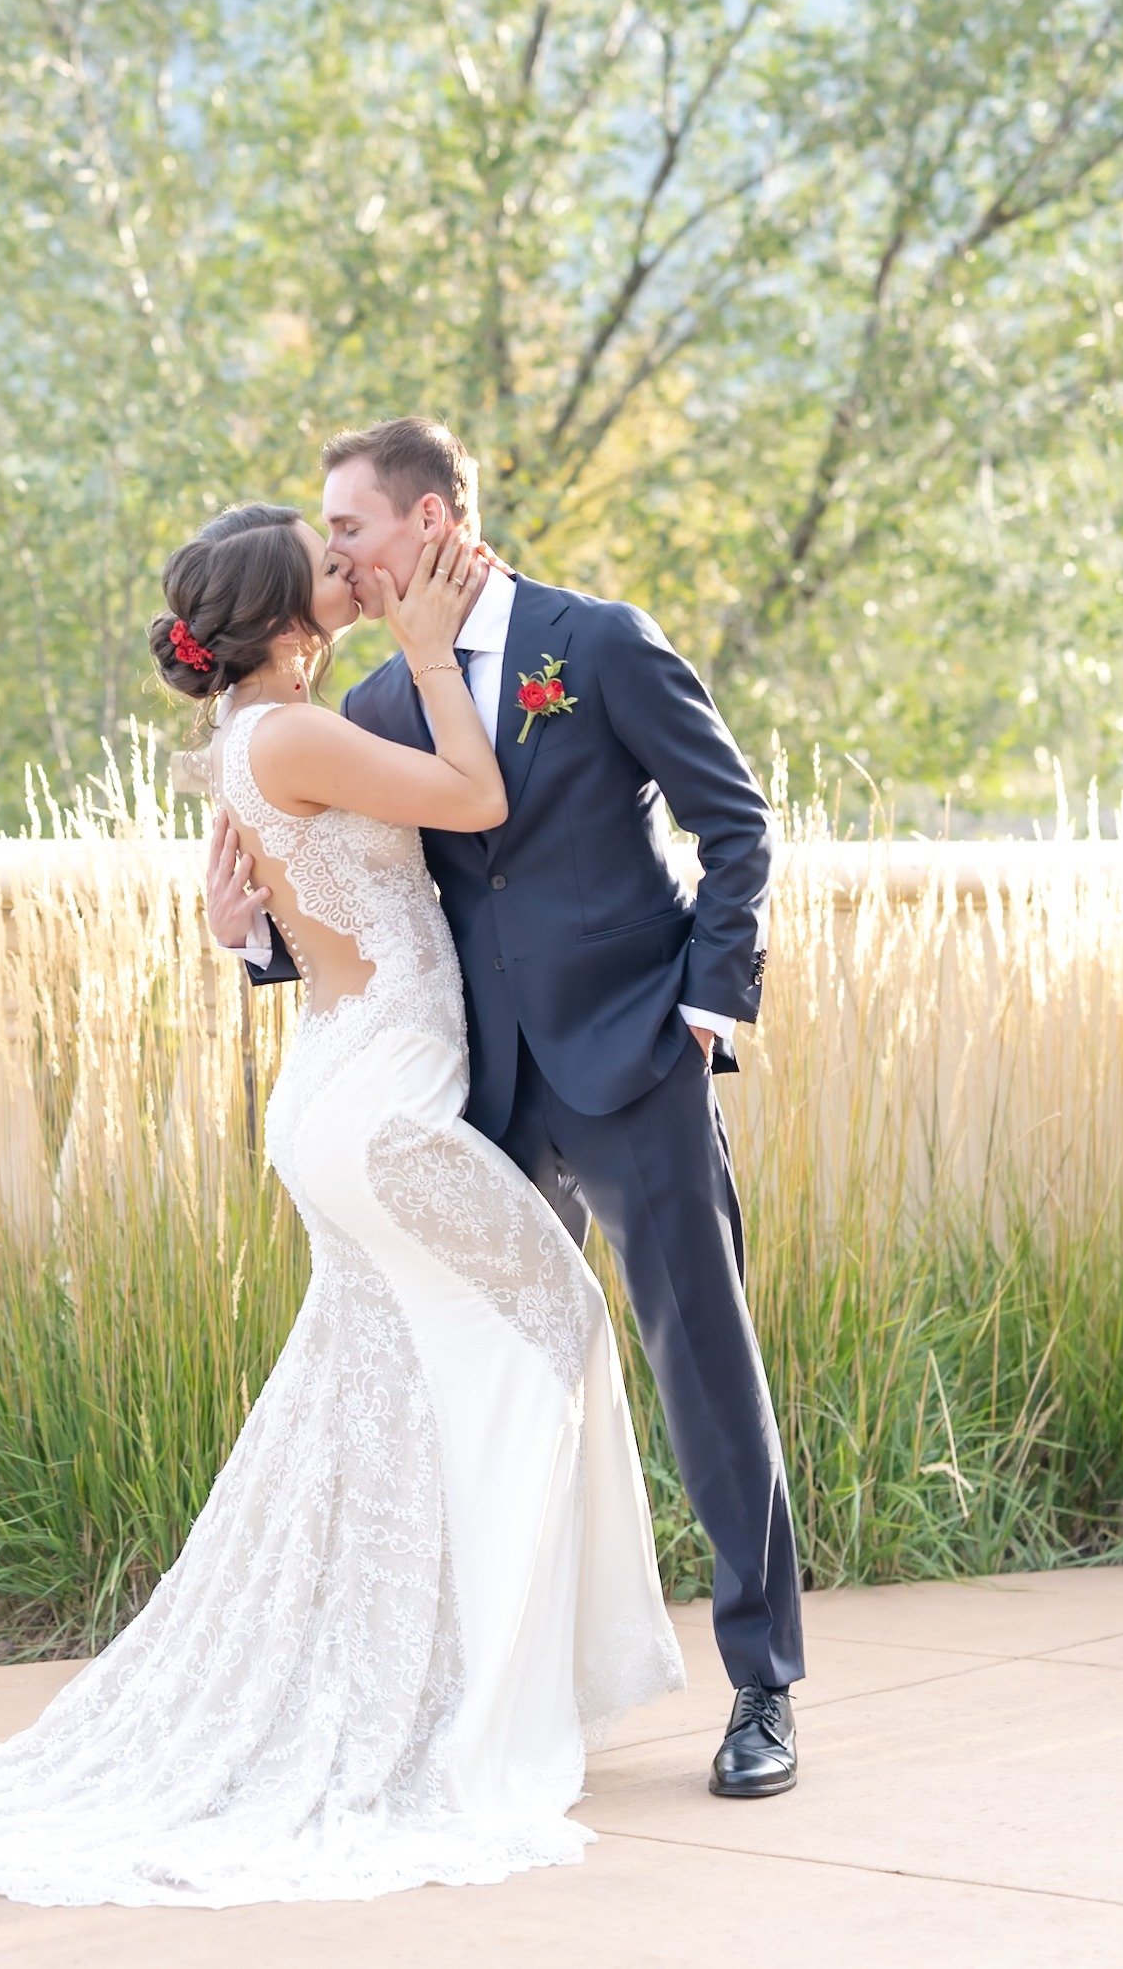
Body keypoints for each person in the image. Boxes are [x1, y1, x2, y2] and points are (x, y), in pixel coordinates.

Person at [0, 502, 684, 1909]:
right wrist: (439, 655)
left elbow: (300, 904)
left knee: (378, 1395)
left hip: (346, 1086)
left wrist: (238, 926)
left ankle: (456, 1679)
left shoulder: (248, 748)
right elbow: (478, 801)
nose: (354, 581)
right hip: (377, 1112)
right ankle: (492, 1699)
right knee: (551, 1321)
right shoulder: (288, 731)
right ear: (277, 624)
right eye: (330, 575)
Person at [211, 420, 803, 1798]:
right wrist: (253, 943)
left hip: (631, 1064)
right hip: (466, 1093)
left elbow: (738, 825)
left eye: (350, 527)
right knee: (483, 1376)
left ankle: (764, 1685)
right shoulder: (371, 705)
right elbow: (368, 896)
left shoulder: (593, 646)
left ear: (434, 517)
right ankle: (499, 1682)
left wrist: (705, 1013)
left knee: (702, 1367)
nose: (339, 553)